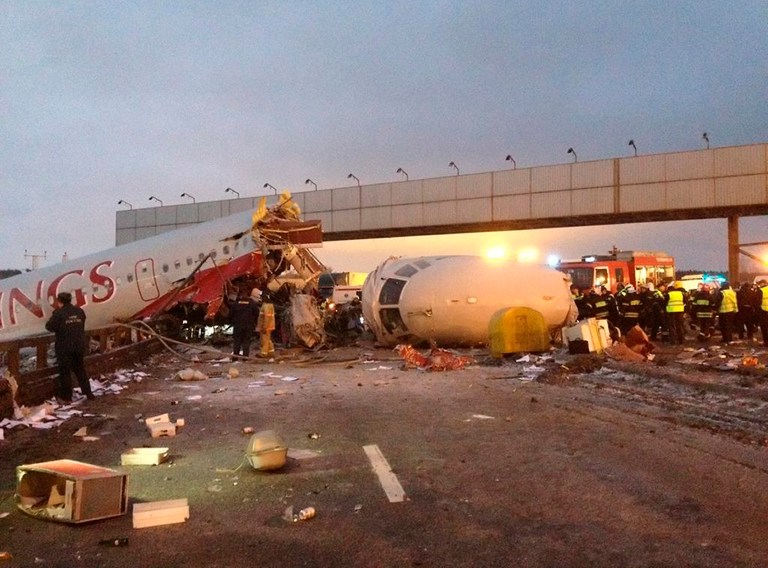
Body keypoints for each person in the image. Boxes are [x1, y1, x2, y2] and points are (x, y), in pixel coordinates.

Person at [45, 292, 95, 402]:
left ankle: (67, 397)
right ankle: (88, 393)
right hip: (79, 345)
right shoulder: (79, 311)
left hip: (64, 347)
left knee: (65, 372)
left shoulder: (58, 313)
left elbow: (49, 326)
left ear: (60, 301)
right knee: (80, 369)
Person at [229, 287, 260, 360]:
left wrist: (233, 321)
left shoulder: (236, 303)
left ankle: (235, 357)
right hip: (248, 325)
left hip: (238, 325)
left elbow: (230, 314)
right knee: (246, 341)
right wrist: (254, 323)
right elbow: (257, 314)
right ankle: (245, 357)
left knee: (237, 341)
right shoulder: (252, 303)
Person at [257, 291, 276, 357]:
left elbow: (266, 317)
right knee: (268, 339)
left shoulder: (265, 306)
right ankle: (271, 352)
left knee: (264, 340)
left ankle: (263, 353)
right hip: (269, 326)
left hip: (266, 326)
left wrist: (264, 327)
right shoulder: (270, 306)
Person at [757, 278, 768, 347]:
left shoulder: (760, 291)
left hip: (763, 310)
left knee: (764, 327)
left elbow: (757, 302)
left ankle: (766, 342)